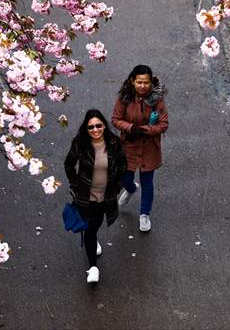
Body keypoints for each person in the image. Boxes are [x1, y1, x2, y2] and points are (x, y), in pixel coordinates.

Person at [64, 109, 127, 283]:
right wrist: (76, 185)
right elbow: (69, 165)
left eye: (98, 125)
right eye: (91, 127)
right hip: (86, 197)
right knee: (90, 230)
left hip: (105, 197)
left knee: (95, 225)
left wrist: (117, 187)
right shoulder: (80, 144)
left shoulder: (113, 143)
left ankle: (93, 243)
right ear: (86, 129)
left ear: (104, 126)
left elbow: (123, 164)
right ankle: (93, 267)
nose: (95, 130)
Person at [112, 65, 168, 232]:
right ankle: (131, 188)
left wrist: (145, 130)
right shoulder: (125, 98)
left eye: (146, 82)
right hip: (129, 145)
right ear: (132, 81)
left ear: (151, 82)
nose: (142, 86)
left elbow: (163, 124)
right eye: (139, 82)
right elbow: (115, 119)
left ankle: (144, 214)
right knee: (124, 178)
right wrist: (130, 127)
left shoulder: (157, 101)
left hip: (149, 147)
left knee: (147, 181)